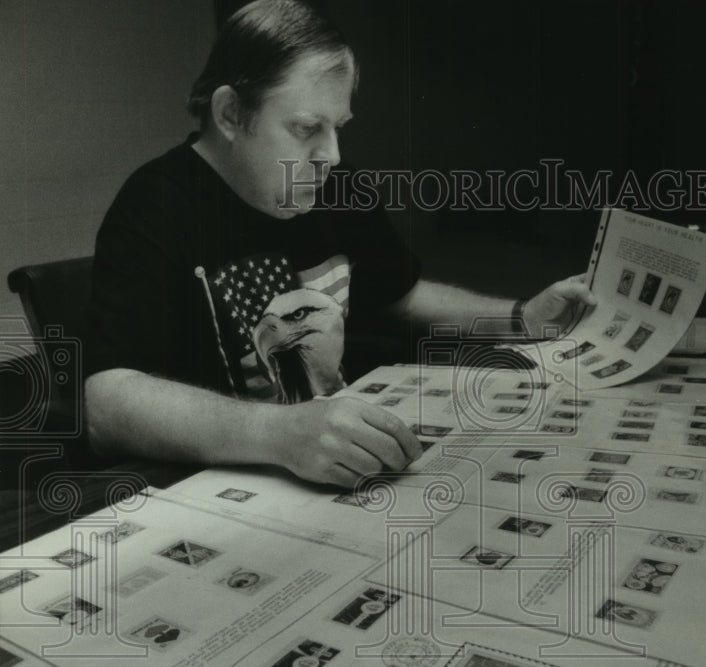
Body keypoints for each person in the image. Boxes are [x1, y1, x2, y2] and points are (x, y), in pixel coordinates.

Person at [85, 0, 595, 489]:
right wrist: (278, 433)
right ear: (231, 115)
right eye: (307, 129)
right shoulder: (157, 205)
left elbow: (402, 293)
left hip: (336, 469)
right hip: (217, 484)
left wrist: (521, 317)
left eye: (338, 128)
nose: (331, 154)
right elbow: (105, 404)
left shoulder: (335, 183)